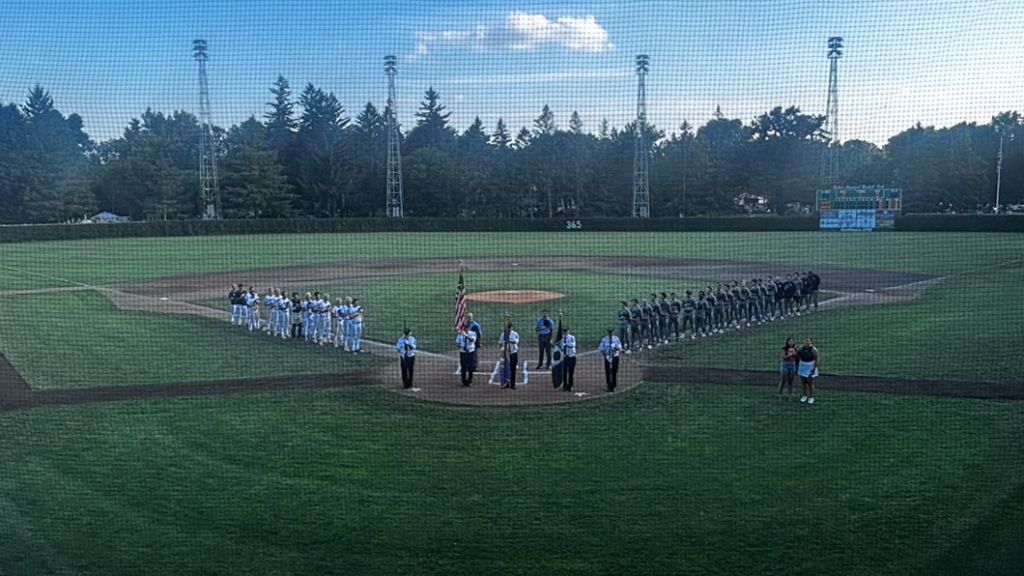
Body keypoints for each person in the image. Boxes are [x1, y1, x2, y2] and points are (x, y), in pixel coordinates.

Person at [599, 327, 623, 392]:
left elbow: (620, 348)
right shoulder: (604, 339)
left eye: (611, 332)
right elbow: (601, 348)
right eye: (609, 332)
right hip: (607, 357)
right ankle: (609, 385)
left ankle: (614, 385)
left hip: (615, 356)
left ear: (613, 332)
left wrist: (615, 347)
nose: (610, 333)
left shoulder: (616, 339)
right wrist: (605, 354)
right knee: (607, 372)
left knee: (614, 371)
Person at [498, 322, 521, 389]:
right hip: (506, 354)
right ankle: (506, 382)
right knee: (505, 368)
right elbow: (500, 343)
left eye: (510, 327)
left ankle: (512, 384)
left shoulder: (515, 334)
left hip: (513, 353)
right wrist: (502, 349)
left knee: (513, 369)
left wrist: (508, 340)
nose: (509, 329)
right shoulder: (503, 334)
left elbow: (516, 341)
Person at [798, 337, 820, 404]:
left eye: (808, 341)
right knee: (803, 382)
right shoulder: (801, 348)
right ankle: (804, 395)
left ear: (811, 342)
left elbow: (817, 359)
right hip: (802, 365)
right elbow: (797, 356)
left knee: (810, 383)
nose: (807, 342)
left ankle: (811, 397)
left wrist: (814, 368)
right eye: (805, 341)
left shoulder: (813, 350)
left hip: (810, 365)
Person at [779, 337, 798, 401]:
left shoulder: (795, 349)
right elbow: (783, 357)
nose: (791, 342)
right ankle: (780, 394)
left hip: (792, 364)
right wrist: (791, 354)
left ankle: (790, 395)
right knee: (783, 381)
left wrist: (796, 354)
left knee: (791, 381)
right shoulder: (784, 349)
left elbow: (797, 357)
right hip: (785, 364)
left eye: (792, 341)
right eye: (789, 341)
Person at [560, 326, 577, 391]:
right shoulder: (561, 338)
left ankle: (570, 385)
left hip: (571, 357)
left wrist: (565, 344)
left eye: (566, 331)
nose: (565, 332)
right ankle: (565, 385)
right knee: (564, 373)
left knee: (570, 372)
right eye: (564, 331)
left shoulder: (571, 337)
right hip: (564, 358)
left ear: (568, 331)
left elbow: (572, 345)